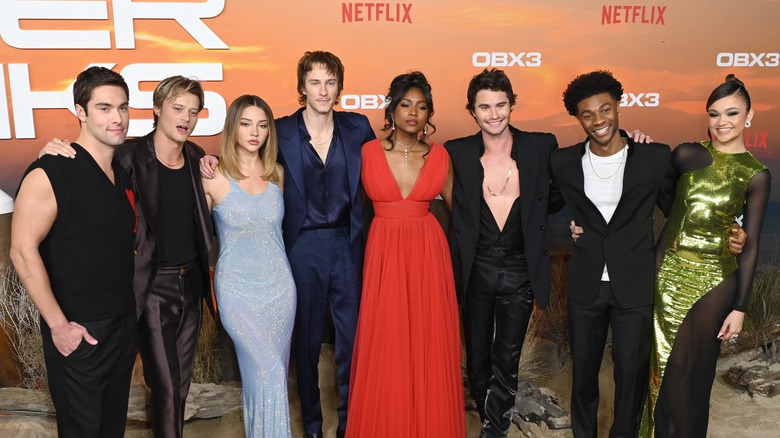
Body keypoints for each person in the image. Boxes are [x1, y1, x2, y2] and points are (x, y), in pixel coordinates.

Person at [201, 51, 375, 438]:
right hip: (300, 250)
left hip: (348, 246)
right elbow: (244, 162)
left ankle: (350, 426)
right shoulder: (280, 131)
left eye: (330, 82)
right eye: (314, 82)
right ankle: (311, 427)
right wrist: (206, 159)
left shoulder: (358, 127)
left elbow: (382, 169)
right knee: (306, 346)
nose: (323, 90)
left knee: (352, 343)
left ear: (340, 87)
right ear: (302, 87)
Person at [40, 75, 215, 438]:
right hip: (151, 286)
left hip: (191, 283)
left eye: (193, 111)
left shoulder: (197, 155)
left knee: (179, 386)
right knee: (166, 385)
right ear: (156, 109)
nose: (186, 118)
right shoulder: (128, 155)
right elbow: (83, 162)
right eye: (177, 108)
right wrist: (49, 149)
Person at [10, 66, 137, 437]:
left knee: (111, 430)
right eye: (104, 108)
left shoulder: (122, 170)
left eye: (123, 107)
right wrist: (59, 326)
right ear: (80, 112)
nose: (117, 118)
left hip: (122, 327)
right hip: (78, 331)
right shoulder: (50, 172)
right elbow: (21, 251)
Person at [641, 75, 770, 437]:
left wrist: (740, 307)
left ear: (749, 116)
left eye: (732, 112)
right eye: (714, 114)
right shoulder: (686, 154)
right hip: (669, 272)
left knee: (698, 372)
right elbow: (666, 202)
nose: (722, 121)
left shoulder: (756, 174)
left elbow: (753, 243)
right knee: (671, 367)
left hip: (717, 280)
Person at [551, 70, 676, 438]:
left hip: (634, 285)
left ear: (619, 107)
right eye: (587, 114)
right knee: (583, 378)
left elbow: (677, 212)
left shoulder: (653, 157)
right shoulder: (563, 162)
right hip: (586, 286)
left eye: (605, 109)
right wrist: (567, 231)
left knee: (631, 377)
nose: (598, 121)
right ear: (578, 118)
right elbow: (544, 212)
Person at [445, 68, 564, 437]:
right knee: (477, 357)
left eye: (500, 104)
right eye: (484, 107)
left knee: (507, 356)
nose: (494, 114)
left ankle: (494, 431)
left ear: (512, 105)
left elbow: (567, 187)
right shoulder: (457, 152)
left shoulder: (541, 146)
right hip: (475, 266)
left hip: (519, 266)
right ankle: (490, 419)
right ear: (472, 111)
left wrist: (629, 138)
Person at [345, 71, 465, 437]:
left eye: (422, 106)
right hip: (383, 253)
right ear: (392, 110)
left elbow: (462, 213)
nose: (414, 112)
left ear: (429, 115)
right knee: (387, 340)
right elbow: (344, 207)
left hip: (428, 253)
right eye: (405, 104)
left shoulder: (441, 156)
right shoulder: (366, 153)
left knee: (428, 342)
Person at [202, 95, 296, 437]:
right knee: (268, 370)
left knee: (273, 379)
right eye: (245, 123)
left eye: (262, 124)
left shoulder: (278, 176)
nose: (254, 132)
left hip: (281, 291)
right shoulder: (212, 177)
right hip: (237, 293)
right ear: (232, 128)